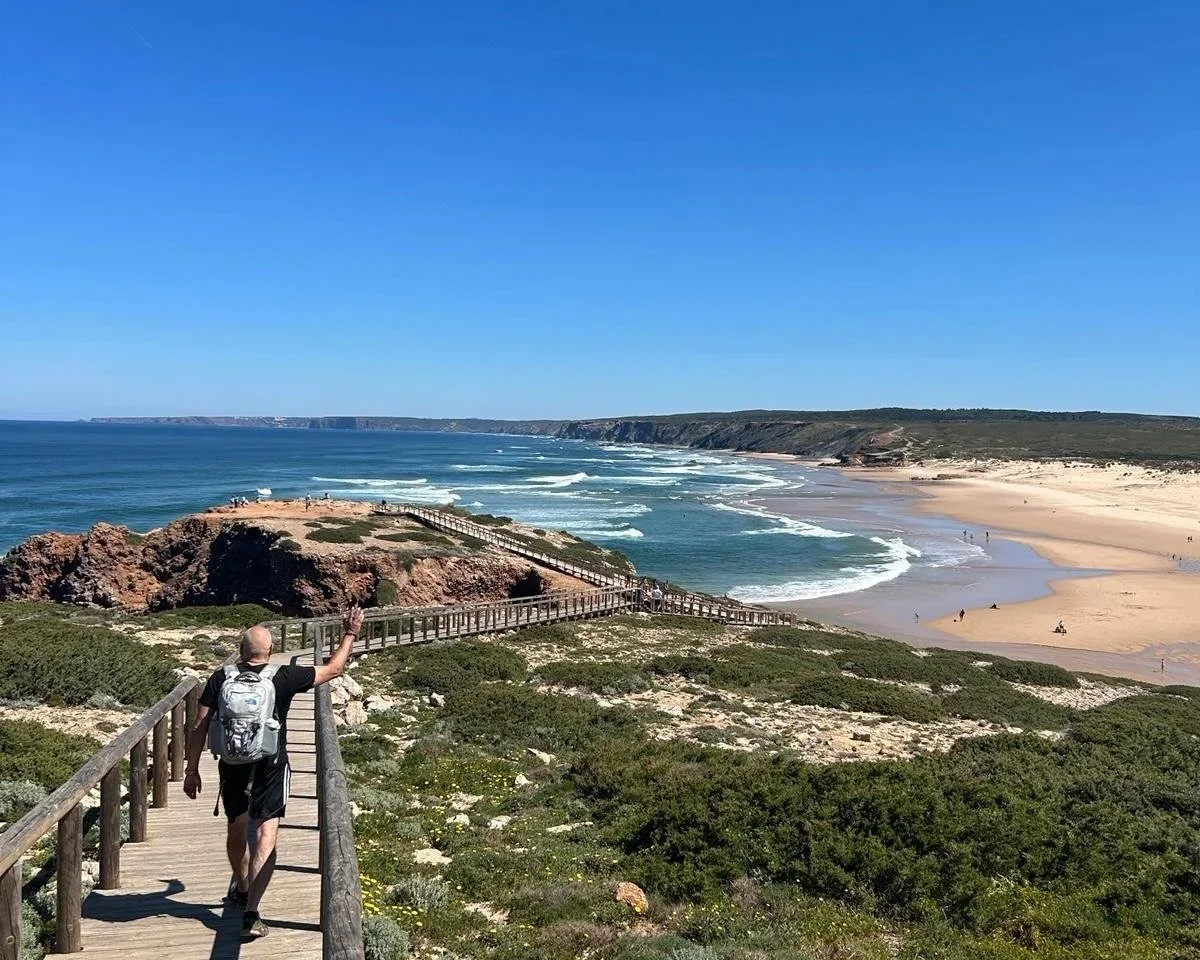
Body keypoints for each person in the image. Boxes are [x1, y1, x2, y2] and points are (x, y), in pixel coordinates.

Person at [184, 607, 365, 939]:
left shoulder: (221, 677)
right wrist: (350, 632)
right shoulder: (283, 677)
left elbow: (198, 726)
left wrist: (191, 770)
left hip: (232, 765)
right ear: (270, 653)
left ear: (241, 651)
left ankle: (240, 886)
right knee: (267, 833)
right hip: (271, 764)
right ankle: (252, 911)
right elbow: (335, 669)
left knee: (237, 829)